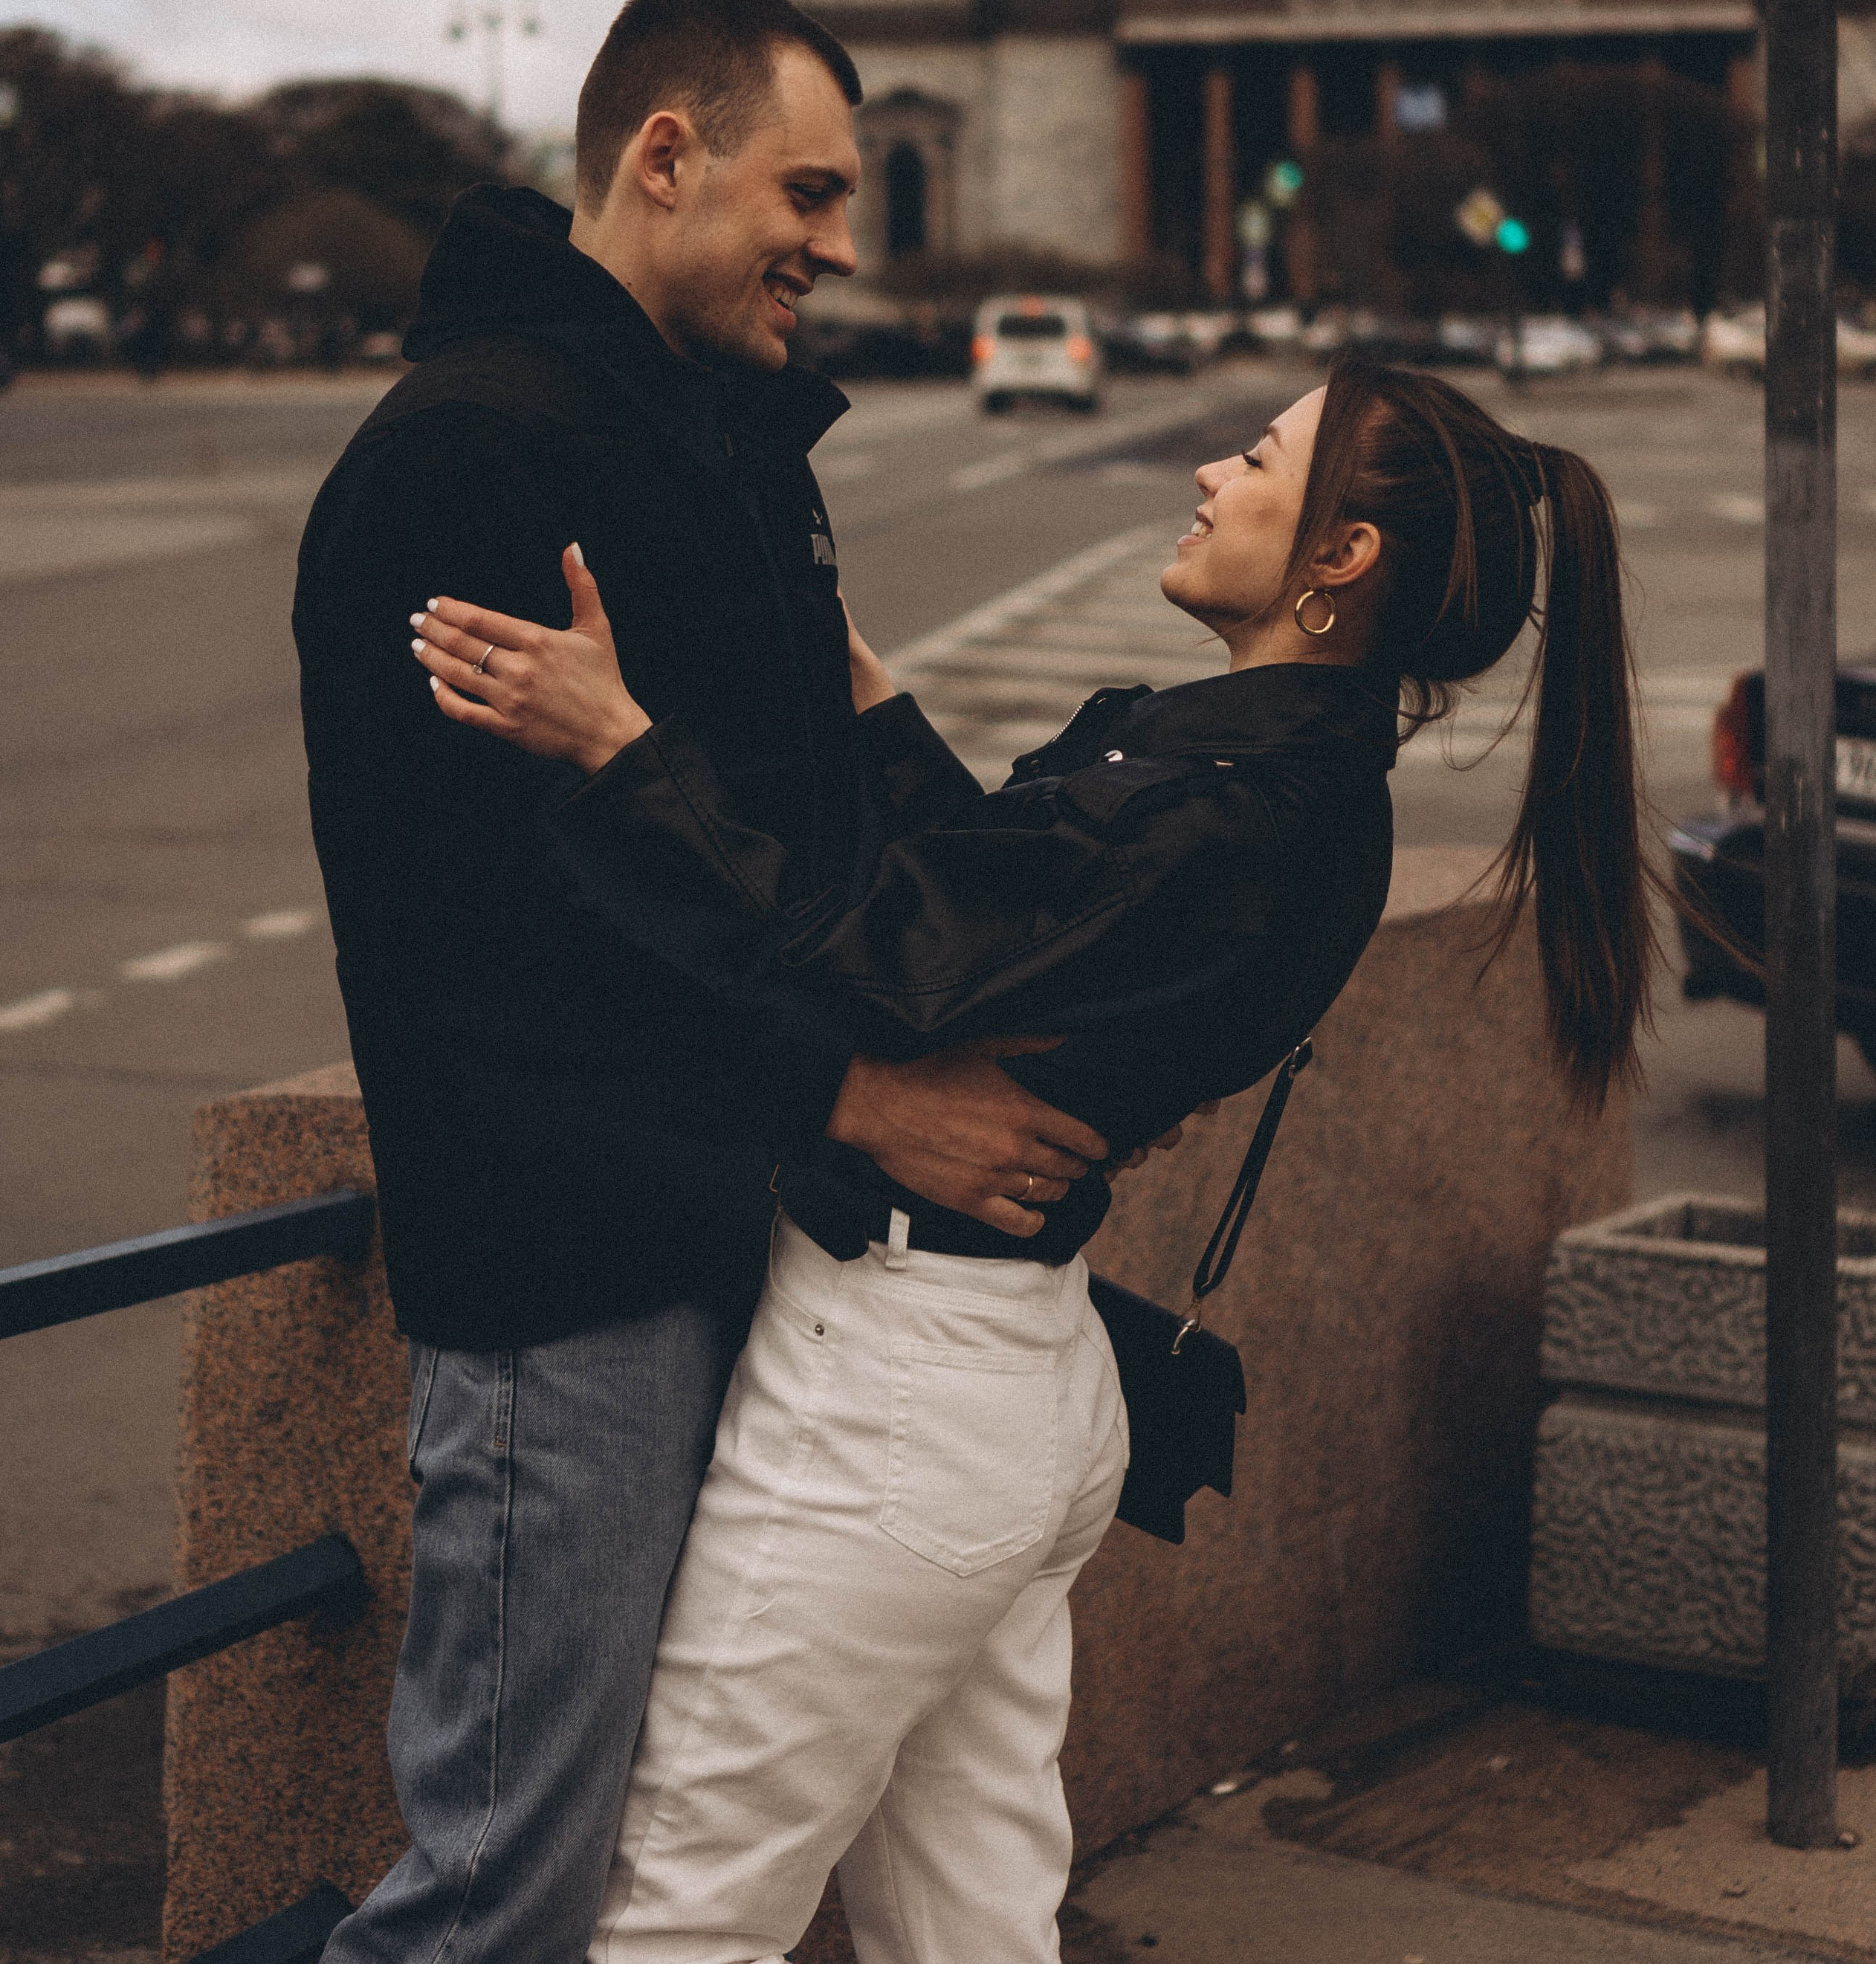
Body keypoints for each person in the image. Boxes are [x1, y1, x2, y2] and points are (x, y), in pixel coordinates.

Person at [407, 358, 1657, 1964]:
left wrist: (620, 744)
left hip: (899, 1401)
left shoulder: (1233, 805)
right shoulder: (1274, 768)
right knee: (970, 1918)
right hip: (1004, 1382)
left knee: (675, 1910)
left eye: (1263, 456)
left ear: (1337, 560)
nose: (1213, 470)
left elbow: (889, 955)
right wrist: (855, 686)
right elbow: (1003, 902)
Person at [294, 0, 1110, 1964]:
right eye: (811, 192)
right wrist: (848, 1097)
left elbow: (787, 848)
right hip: (565, 1266)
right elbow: (499, 918)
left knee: (627, 1853)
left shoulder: (709, 438)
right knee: (510, 1885)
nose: (843, 243)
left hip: (717, 1222)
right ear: (666, 157)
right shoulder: (480, 455)